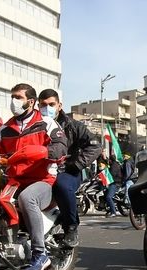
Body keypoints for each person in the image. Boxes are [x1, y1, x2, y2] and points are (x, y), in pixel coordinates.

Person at [0, 83, 67, 270]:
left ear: (31, 102)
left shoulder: (46, 123)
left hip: (43, 180)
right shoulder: (5, 129)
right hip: (14, 180)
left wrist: (44, 151)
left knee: (27, 198)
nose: (13, 101)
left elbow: (61, 148)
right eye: (12, 96)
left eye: (18, 97)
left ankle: (39, 254)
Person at [38, 88, 101, 247]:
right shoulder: (34, 126)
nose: (47, 108)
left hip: (67, 172)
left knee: (62, 185)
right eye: (43, 105)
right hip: (38, 172)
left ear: (59, 105)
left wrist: (76, 164)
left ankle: (71, 227)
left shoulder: (74, 126)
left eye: (51, 104)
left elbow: (95, 146)